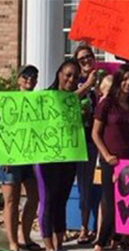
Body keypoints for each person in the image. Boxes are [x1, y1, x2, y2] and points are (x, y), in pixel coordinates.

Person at [35, 59, 93, 251]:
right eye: (68, 74)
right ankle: (48, 245)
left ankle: (59, 244)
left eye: (75, 77)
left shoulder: (80, 102)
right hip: (46, 158)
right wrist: (87, 85)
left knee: (62, 201)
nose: (71, 79)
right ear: (59, 74)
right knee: (49, 200)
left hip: (68, 157)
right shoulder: (46, 97)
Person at [92, 64, 129, 251]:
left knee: (125, 206)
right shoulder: (107, 104)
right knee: (112, 205)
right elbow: (95, 133)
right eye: (125, 79)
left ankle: (116, 242)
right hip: (110, 161)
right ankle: (99, 244)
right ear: (118, 81)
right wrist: (106, 155)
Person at [1, 65, 41, 251]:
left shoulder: (40, 102)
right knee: (11, 201)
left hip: (31, 157)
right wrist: (5, 156)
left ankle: (24, 237)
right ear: (18, 79)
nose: (30, 79)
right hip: (10, 157)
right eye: (26, 76)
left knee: (34, 197)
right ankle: (13, 243)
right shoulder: (7, 101)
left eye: (34, 76)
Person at [73, 45, 99, 244]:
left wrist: (97, 85)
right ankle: (65, 225)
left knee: (86, 184)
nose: (86, 61)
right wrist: (87, 85)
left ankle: (85, 227)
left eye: (88, 57)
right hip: (73, 139)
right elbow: (67, 99)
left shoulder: (103, 76)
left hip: (93, 139)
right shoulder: (74, 80)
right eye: (81, 59)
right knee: (66, 184)